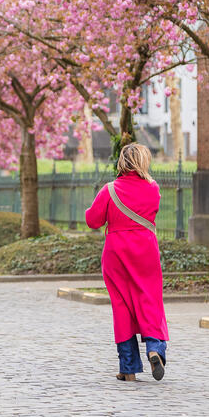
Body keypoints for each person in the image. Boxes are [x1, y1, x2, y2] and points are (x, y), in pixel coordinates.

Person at [85, 143, 168, 382]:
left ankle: (128, 368)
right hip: (145, 251)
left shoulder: (109, 190)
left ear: (121, 162)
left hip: (116, 253)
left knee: (122, 306)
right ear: (143, 161)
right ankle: (155, 348)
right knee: (149, 298)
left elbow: (93, 221)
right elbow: (153, 212)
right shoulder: (153, 189)